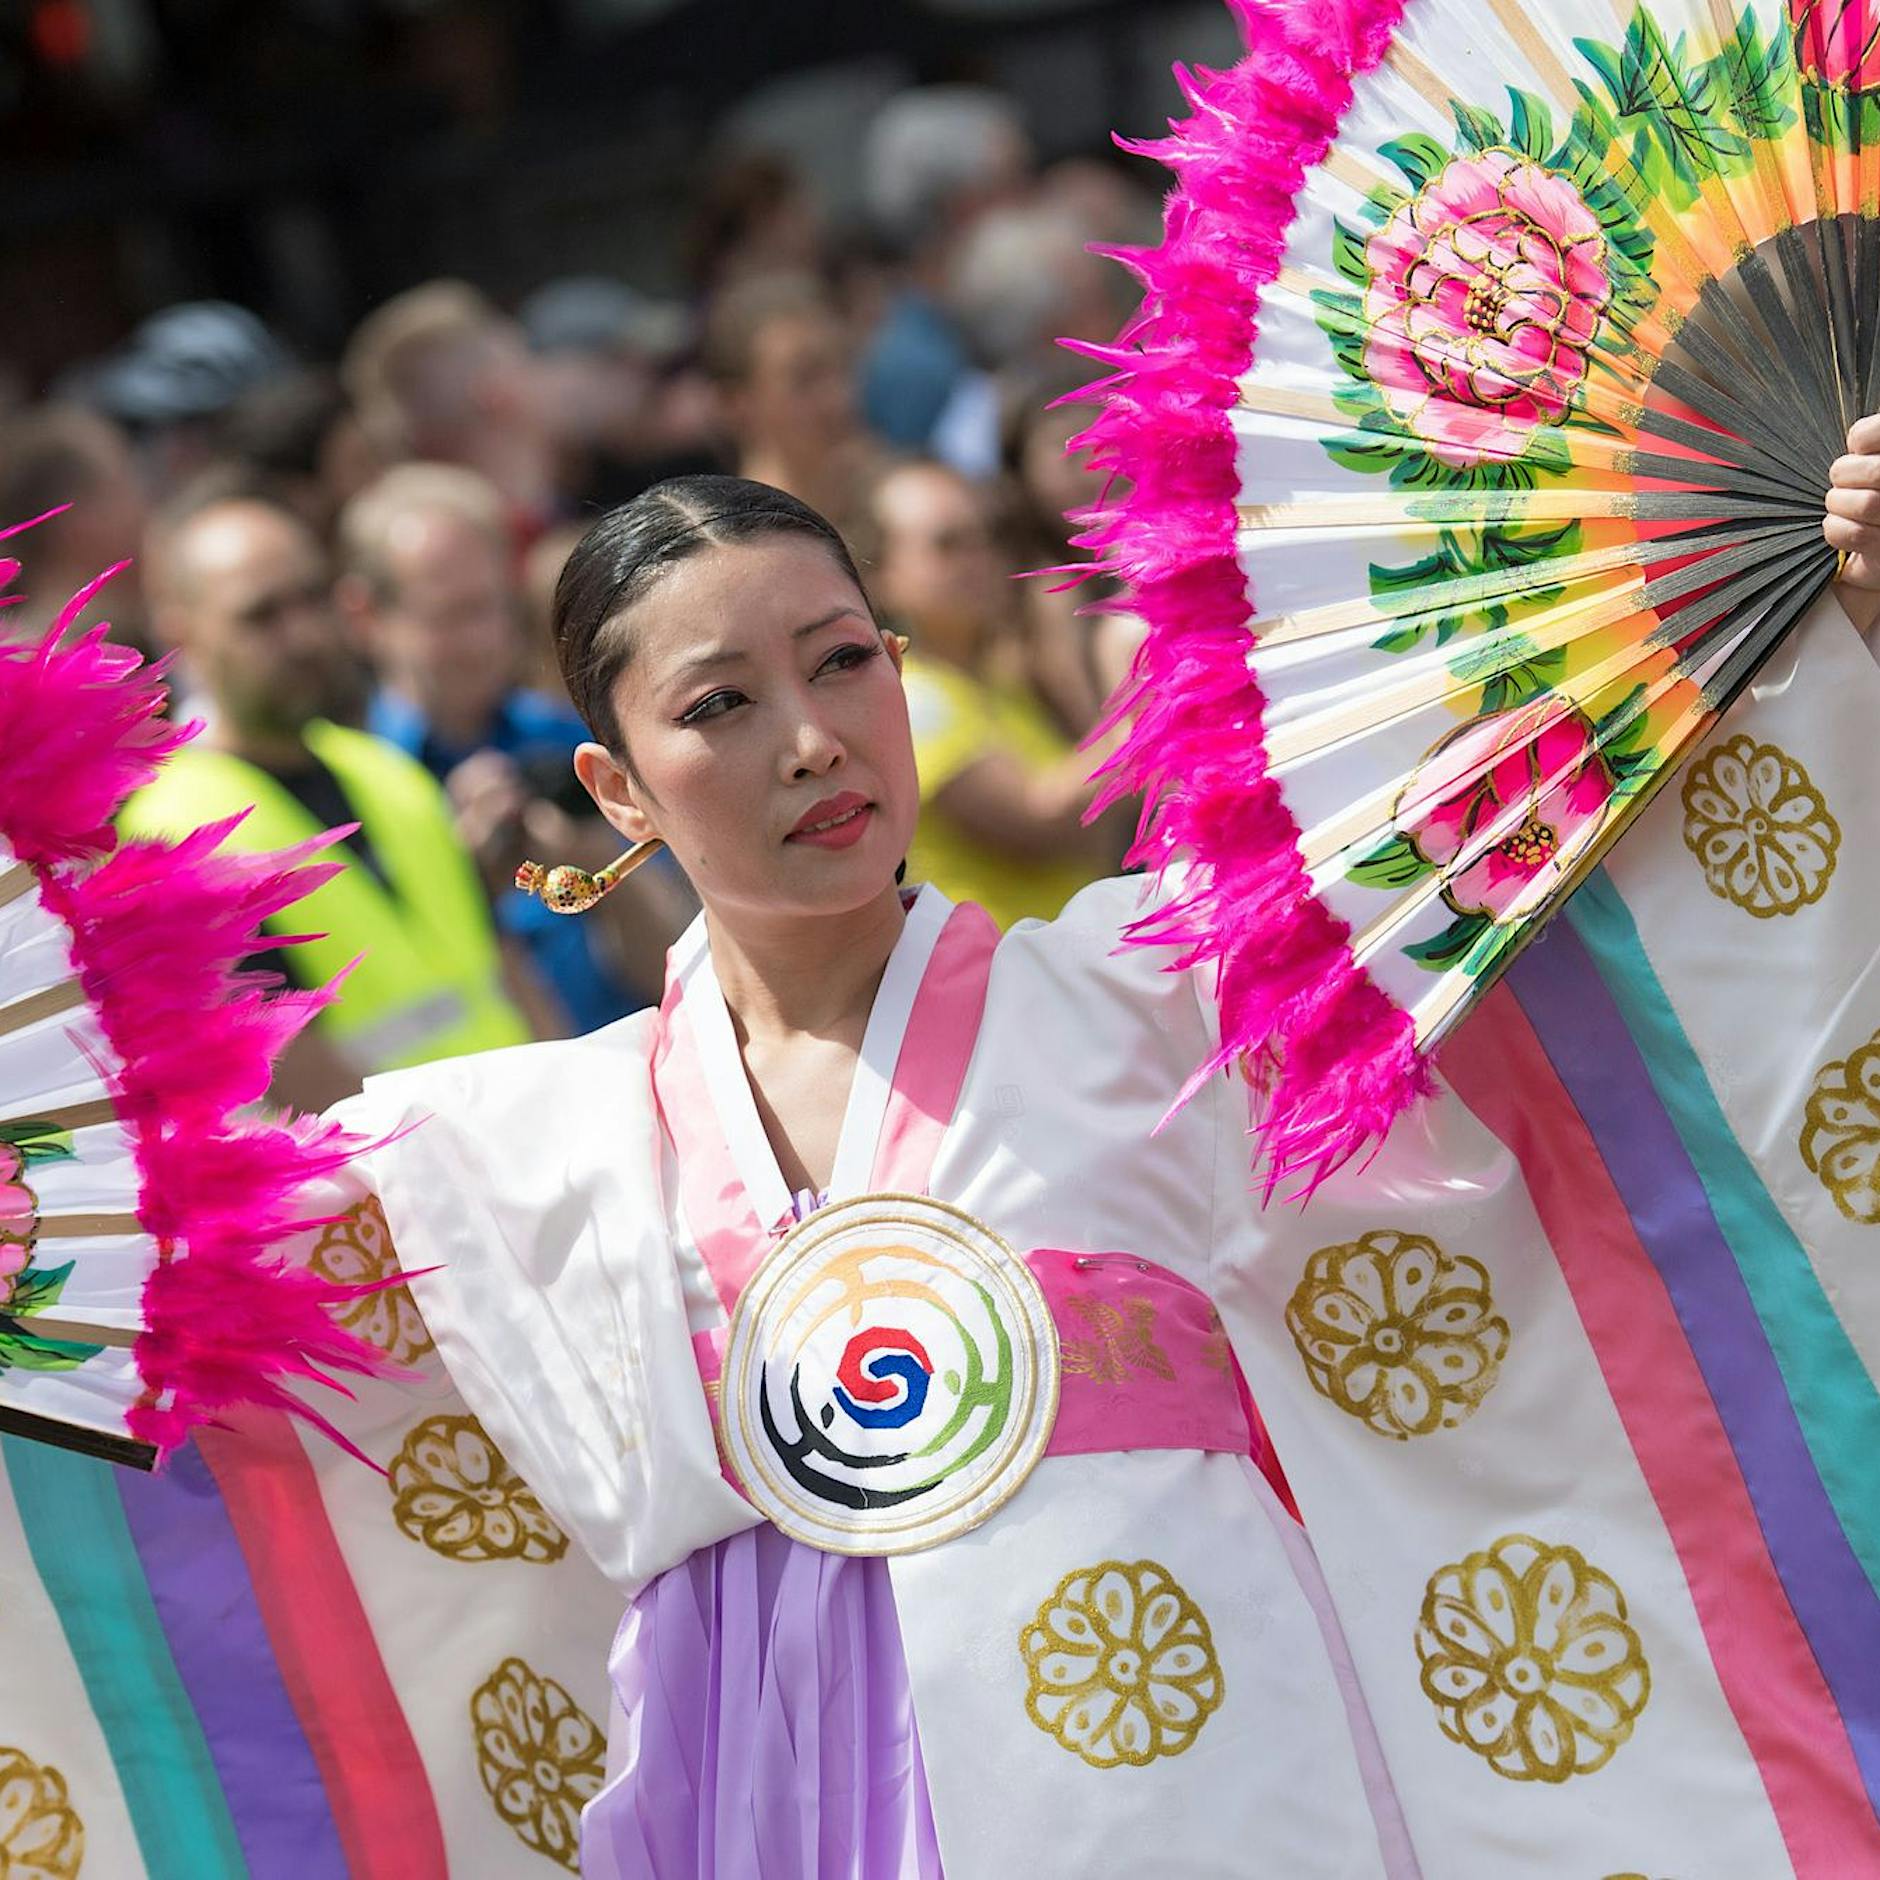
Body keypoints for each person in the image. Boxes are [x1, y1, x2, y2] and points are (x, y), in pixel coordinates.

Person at [307, 474, 1408, 1877]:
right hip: (782, 1800)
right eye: (720, 707)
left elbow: (1476, 897)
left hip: (1180, 1775)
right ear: (618, 788)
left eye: (841, 663)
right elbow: (162, 1265)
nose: (814, 741)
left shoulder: (1150, 999)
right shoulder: (531, 1148)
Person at [123, 490, 533, 1110]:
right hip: (389, 1187)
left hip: (526, 1136)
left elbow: (505, 972)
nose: (305, 634)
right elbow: (292, 1082)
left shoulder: (383, 768)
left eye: (312, 599)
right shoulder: (175, 835)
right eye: (261, 616)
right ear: (180, 634)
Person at [337, 462, 692, 1023]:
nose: (485, 640)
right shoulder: (353, 790)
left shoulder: (576, 741)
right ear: (366, 615)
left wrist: (602, 865)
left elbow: (686, 972)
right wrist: (461, 891)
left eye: (495, 606)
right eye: (452, 615)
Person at [862, 455, 1121, 927]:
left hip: (1053, 967)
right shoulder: (910, 697)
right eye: (947, 544)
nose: (979, 560)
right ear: (884, 576)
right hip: (997, 982)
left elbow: (1090, 828)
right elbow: (1037, 821)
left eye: (988, 537)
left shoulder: (998, 681)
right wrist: (1143, 723)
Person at [340, 280, 560, 550]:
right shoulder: (513, 550)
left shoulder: (419, 545)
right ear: (498, 392)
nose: (552, 374)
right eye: (530, 358)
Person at [701, 271, 874, 530]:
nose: (840, 397)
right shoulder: (731, 546)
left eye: (844, 366)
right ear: (735, 404)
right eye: (804, 379)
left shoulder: (900, 509)